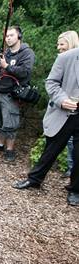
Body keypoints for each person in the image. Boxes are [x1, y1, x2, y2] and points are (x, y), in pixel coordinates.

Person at [12, 47, 79, 207]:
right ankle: (34, 179)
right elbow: (51, 82)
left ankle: (75, 190)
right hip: (66, 112)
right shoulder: (66, 57)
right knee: (51, 149)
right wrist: (62, 100)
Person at [0, 26, 35, 162]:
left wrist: (6, 66)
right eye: (7, 36)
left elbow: (25, 72)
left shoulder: (26, 53)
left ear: (19, 36)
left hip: (12, 94)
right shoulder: (5, 53)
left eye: (11, 35)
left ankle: (10, 149)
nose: (8, 38)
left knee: (10, 123)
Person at [56, 31, 79, 178]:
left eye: (62, 44)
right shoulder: (62, 60)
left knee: (73, 143)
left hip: (74, 109)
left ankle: (72, 170)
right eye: (58, 44)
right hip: (62, 107)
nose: (58, 47)